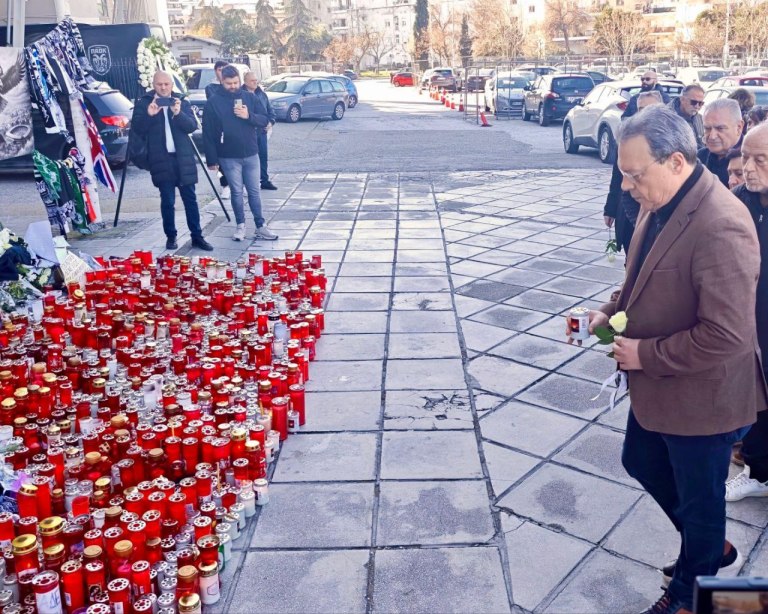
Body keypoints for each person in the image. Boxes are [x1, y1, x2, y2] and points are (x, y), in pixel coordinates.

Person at [582, 106, 765, 614]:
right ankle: (710, 549)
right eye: (622, 175)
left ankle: (693, 596)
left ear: (677, 161)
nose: (627, 187)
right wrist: (610, 309)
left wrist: (644, 353)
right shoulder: (656, 200)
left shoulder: (722, 223)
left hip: (705, 395)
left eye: (634, 176)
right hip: (661, 386)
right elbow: (640, 277)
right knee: (639, 460)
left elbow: (727, 335)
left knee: (701, 499)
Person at [724, 123, 768, 502]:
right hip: (749, 325)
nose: (748, 167)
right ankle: (758, 473)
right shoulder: (737, 201)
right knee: (756, 401)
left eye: (760, 159)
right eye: (745, 157)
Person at [131, 71, 213, 252]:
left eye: (167, 84)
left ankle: (197, 236)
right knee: (167, 201)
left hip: (182, 158)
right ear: (153, 84)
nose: (163, 87)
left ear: (171, 84)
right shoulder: (145, 103)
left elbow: (192, 126)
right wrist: (150, 114)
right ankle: (171, 236)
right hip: (161, 159)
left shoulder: (181, 101)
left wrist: (178, 114)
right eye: (159, 84)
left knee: (190, 199)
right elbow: (137, 129)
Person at [202, 65, 278, 242]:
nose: (233, 86)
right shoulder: (213, 102)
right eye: (229, 83)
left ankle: (260, 226)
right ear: (222, 82)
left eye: (236, 82)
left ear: (240, 81)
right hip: (228, 156)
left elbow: (265, 120)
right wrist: (212, 159)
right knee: (236, 192)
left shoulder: (250, 97)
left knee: (254, 192)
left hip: (251, 153)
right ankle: (240, 226)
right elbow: (208, 133)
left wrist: (248, 115)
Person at [604, 91, 663, 254]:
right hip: (630, 211)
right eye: (640, 109)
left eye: (649, 110)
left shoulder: (670, 141)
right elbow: (617, 176)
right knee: (631, 260)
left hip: (657, 215)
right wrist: (610, 209)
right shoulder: (628, 138)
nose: (644, 115)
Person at [242, 72, 277, 191]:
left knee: (262, 156)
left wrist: (270, 122)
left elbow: (271, 112)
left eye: (256, 80)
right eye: (252, 80)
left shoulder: (262, 94)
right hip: (247, 133)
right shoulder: (240, 95)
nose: (255, 82)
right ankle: (248, 183)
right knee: (248, 159)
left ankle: (264, 180)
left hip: (261, 132)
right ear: (245, 81)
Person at [698, 98, 744, 186]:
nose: (712, 136)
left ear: (739, 127)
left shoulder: (753, 160)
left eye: (720, 128)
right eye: (707, 128)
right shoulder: (699, 157)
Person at [206, 60, 231, 200]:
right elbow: (215, 102)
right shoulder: (211, 87)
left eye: (224, 69)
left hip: (232, 128)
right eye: (219, 69)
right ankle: (224, 185)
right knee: (220, 162)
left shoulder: (233, 86)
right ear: (215, 71)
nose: (221, 71)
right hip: (218, 128)